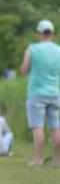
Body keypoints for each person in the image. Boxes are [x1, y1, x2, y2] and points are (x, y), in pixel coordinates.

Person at [20, 19, 60, 167]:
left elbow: (24, 70)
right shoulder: (59, 50)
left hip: (36, 93)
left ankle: (38, 159)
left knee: (38, 127)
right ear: (52, 34)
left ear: (40, 33)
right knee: (55, 127)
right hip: (54, 93)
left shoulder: (32, 49)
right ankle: (58, 160)